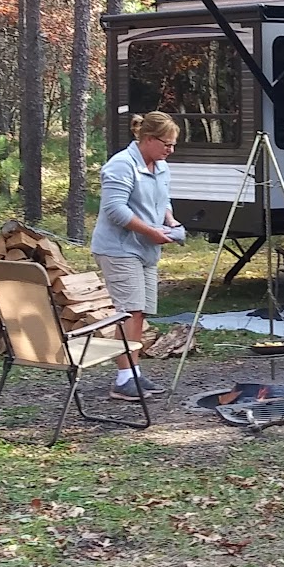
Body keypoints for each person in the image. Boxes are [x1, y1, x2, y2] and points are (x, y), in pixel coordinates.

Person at [92, 111, 187, 401]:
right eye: (166, 144)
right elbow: (115, 210)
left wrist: (170, 223)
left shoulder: (160, 166)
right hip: (119, 249)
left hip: (146, 248)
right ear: (148, 139)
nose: (170, 150)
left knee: (140, 310)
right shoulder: (121, 165)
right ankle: (123, 379)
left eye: (173, 145)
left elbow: (163, 201)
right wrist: (150, 231)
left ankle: (133, 371)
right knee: (128, 310)